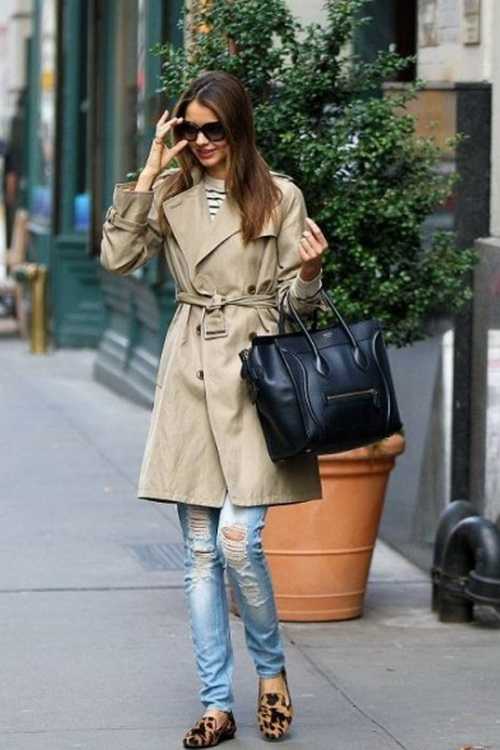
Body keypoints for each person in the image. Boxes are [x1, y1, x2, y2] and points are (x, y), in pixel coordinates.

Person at [100, 70, 330, 747]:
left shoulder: (279, 196)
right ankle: (215, 704)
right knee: (201, 552)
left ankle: (271, 670)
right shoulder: (169, 193)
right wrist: (149, 169)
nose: (201, 141)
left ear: (238, 129)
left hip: (256, 378)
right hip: (190, 374)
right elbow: (116, 259)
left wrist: (310, 273)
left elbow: (295, 306)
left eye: (214, 129)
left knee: (238, 540)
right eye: (190, 129)